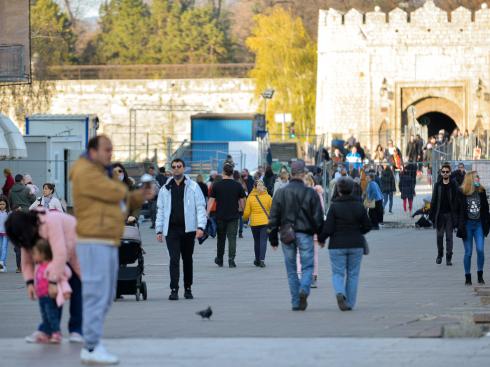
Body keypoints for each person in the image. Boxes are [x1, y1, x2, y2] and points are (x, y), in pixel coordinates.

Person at [69, 135, 153, 365]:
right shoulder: (84, 171)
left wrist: (139, 196)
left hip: (106, 239)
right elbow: (111, 193)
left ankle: (92, 343)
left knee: (105, 295)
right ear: (93, 151)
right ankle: (91, 345)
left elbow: (120, 201)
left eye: (112, 150)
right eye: (107, 150)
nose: (110, 154)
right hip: (93, 239)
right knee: (96, 293)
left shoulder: (103, 173)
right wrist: (129, 190)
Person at [5, 209, 83, 344]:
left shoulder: (50, 221)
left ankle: (77, 330)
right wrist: (29, 283)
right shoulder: (26, 235)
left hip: (75, 249)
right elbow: (27, 262)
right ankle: (49, 330)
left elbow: (60, 253)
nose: (21, 240)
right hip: (56, 257)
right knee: (50, 295)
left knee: (76, 291)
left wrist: (53, 281)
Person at [268, 160, 323, 311]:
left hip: (287, 234)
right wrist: (322, 236)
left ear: (291, 174)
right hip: (305, 233)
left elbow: (273, 217)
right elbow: (318, 216)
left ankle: (295, 302)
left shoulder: (281, 192)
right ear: (303, 174)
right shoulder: (310, 193)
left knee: (291, 269)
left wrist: (272, 238)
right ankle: (304, 288)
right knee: (307, 266)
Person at [155, 159, 206, 301]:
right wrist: (159, 230)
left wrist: (201, 227)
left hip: (188, 230)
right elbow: (161, 210)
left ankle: (188, 288)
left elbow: (201, 208)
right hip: (171, 230)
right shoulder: (165, 188)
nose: (176, 169)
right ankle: (174, 289)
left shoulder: (193, 187)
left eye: (179, 166)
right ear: (171, 170)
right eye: (174, 167)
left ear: (184, 168)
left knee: (187, 260)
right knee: (174, 259)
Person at [318, 177, 371, 311]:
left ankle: (340, 292)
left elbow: (328, 228)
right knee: (353, 274)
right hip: (356, 244)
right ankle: (349, 304)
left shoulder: (334, 207)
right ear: (352, 189)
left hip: (337, 245)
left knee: (337, 273)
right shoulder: (359, 205)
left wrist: (321, 239)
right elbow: (368, 225)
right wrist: (359, 232)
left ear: (339, 191)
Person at [28, 239, 72, 344]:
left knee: (52, 315)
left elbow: (63, 279)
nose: (32, 256)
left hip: (50, 296)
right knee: (45, 316)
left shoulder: (52, 266)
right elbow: (37, 280)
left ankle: (56, 333)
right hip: (42, 296)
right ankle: (47, 333)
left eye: (35, 253)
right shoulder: (39, 266)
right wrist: (34, 290)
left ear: (43, 254)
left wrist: (66, 291)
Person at [207, 162, 246, 268]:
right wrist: (243, 211)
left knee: (221, 238)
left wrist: (207, 213)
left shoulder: (217, 185)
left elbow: (211, 201)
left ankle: (219, 259)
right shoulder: (237, 185)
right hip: (233, 215)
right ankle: (231, 260)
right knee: (232, 238)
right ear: (232, 173)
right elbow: (242, 200)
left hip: (220, 215)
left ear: (223, 172)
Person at [455, 171, 490, 286]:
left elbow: (485, 209)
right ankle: (468, 276)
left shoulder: (481, 191)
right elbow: (457, 209)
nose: (478, 180)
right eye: (476, 178)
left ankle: (480, 275)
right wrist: (458, 224)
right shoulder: (462, 192)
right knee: (468, 252)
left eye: (478, 178)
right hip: (467, 225)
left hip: (479, 224)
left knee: (480, 250)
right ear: (470, 180)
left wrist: (487, 223)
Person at [296, 175, 324, 288]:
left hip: (301, 229)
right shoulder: (318, 194)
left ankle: (299, 275)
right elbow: (321, 212)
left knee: (299, 253)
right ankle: (313, 277)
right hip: (314, 230)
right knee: (314, 254)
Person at [429, 163, 458, 266]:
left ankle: (449, 257)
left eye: (447, 172)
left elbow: (457, 200)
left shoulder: (454, 185)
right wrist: (431, 216)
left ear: (450, 173)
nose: (445, 173)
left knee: (449, 237)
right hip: (440, 215)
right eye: (443, 172)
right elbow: (433, 201)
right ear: (441, 173)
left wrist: (457, 216)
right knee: (439, 236)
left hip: (450, 215)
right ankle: (440, 254)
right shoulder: (438, 185)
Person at [9, 174, 36, 272]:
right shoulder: (26, 190)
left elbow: (10, 203)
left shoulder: (11, 191)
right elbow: (34, 200)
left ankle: (19, 267)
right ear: (22, 180)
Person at [242, 180, 272, 268]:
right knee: (263, 241)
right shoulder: (268, 197)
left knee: (257, 241)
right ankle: (262, 260)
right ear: (264, 187)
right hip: (265, 222)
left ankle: (257, 260)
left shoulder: (250, 198)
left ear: (254, 187)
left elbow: (247, 212)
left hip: (254, 223)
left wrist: (244, 219)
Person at [0, 196, 9, 272]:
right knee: (0, 248)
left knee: (4, 248)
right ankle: (2, 265)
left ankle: (2, 263)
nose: (2, 206)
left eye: (3, 204)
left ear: (6, 204)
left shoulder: (8, 213)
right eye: (0, 204)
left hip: (6, 233)